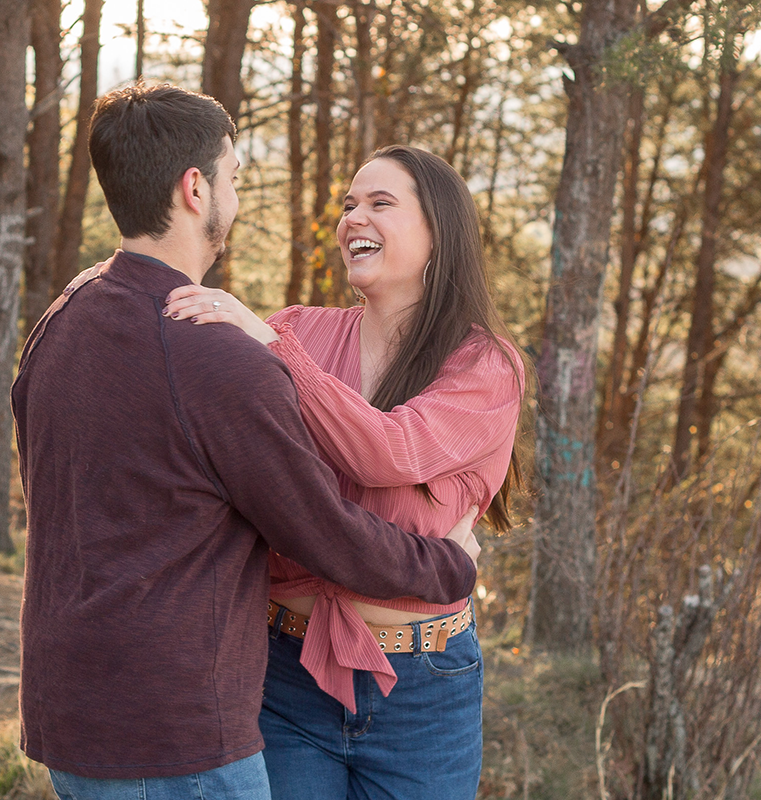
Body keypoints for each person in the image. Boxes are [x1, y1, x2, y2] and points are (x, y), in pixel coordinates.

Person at [11, 84, 485, 800]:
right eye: (232, 175)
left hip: (68, 709)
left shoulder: (63, 315)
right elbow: (325, 530)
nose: (237, 191)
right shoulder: (217, 357)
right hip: (174, 728)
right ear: (195, 188)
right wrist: (448, 564)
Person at [164, 145, 528, 799]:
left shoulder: (484, 364)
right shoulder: (297, 330)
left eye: (380, 203)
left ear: (439, 230)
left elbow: (386, 452)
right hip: (281, 669)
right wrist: (107, 284)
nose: (352, 217)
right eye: (348, 204)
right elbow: (175, 379)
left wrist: (276, 352)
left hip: (422, 689)